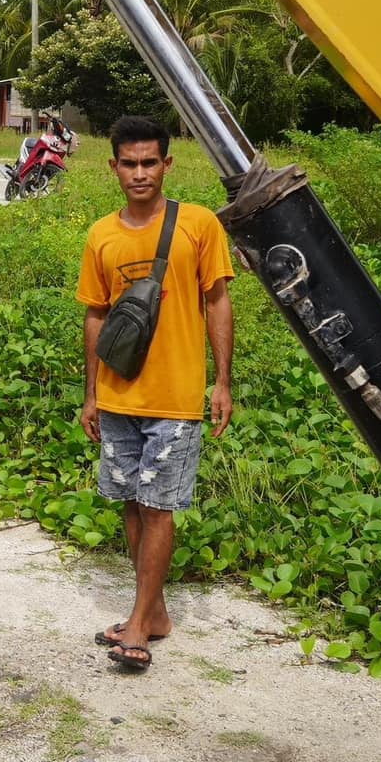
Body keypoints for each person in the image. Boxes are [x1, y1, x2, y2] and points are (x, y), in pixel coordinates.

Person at [78, 115, 236, 674]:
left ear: (167, 164)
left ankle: (139, 625)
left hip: (174, 398)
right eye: (129, 163)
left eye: (150, 162)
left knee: (158, 507)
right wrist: (91, 393)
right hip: (119, 397)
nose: (140, 173)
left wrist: (222, 380)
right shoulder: (101, 234)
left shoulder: (198, 224)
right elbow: (96, 317)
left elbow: (217, 302)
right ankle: (157, 611)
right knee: (129, 504)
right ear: (114, 166)